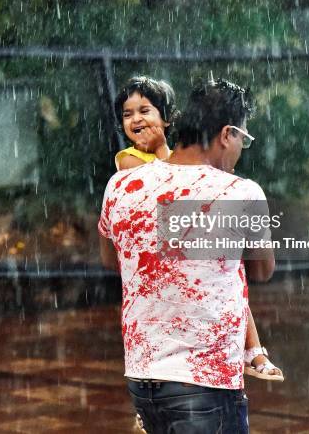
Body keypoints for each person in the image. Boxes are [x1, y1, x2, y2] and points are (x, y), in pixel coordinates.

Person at [99, 78, 276, 433]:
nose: (242, 148)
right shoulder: (239, 191)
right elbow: (261, 270)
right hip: (205, 383)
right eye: (243, 138)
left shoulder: (120, 184)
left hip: (142, 378)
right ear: (227, 134)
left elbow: (111, 260)